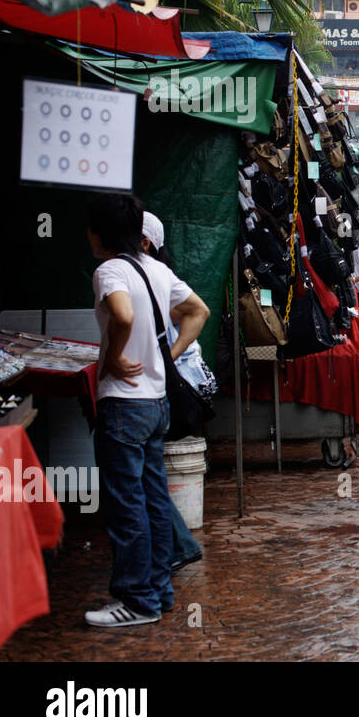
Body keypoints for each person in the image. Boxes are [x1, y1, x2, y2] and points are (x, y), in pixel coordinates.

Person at [85, 193, 209, 627]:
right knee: (154, 498)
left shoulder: (110, 270)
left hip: (123, 403)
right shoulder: (157, 269)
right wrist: (168, 356)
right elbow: (199, 311)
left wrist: (115, 357)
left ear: (97, 233)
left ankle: (136, 600)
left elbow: (121, 314)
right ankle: (158, 592)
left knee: (127, 504)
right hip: (156, 405)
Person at [140, 212, 211, 572]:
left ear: (145, 243)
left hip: (167, 387)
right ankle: (177, 543)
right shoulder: (154, 274)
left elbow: (199, 312)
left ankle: (175, 545)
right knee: (149, 469)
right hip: (165, 385)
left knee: (144, 470)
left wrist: (167, 358)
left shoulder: (156, 278)